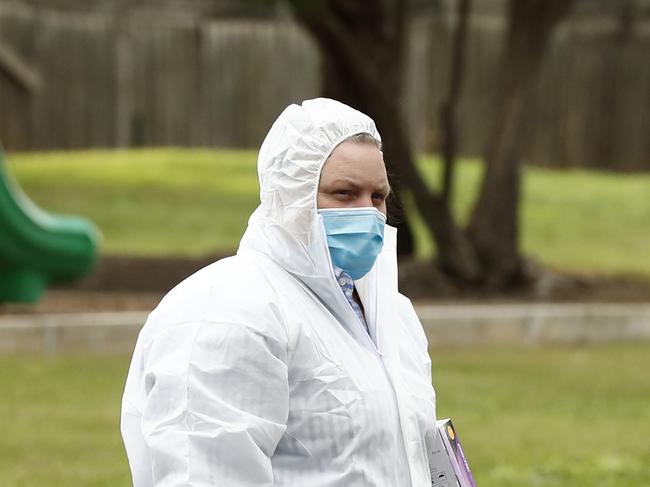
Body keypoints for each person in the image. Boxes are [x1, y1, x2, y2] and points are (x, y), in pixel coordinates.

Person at [121, 98, 437, 486]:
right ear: (292, 196)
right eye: (343, 193)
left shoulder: (392, 312)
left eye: (378, 197)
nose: (367, 212)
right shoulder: (231, 307)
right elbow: (206, 471)